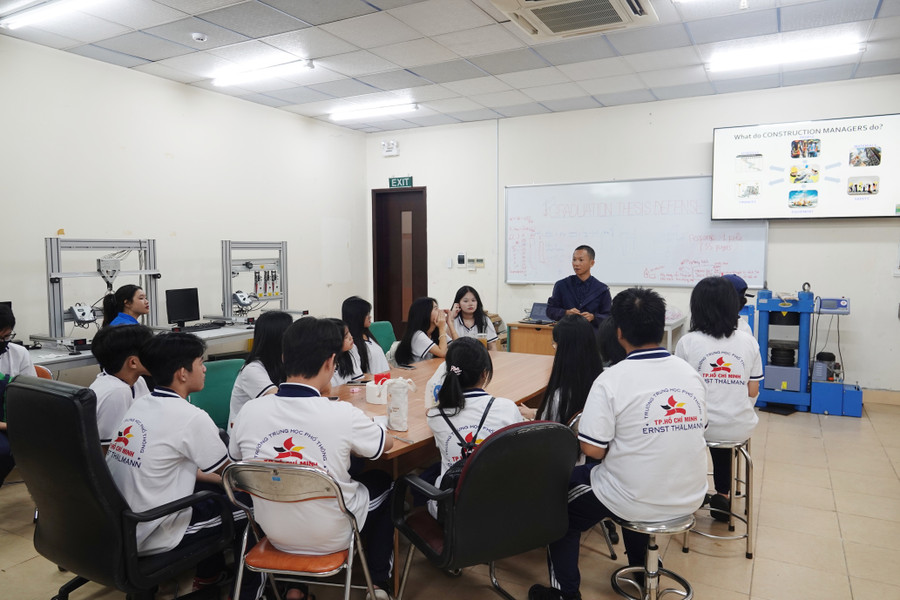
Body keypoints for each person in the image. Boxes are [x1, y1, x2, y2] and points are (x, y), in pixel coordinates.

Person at [529, 288, 708, 600]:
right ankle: (642, 568)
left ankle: (565, 594)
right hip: (690, 494)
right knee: (634, 476)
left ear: (620, 332)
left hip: (637, 497)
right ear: (658, 326)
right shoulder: (690, 374)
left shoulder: (612, 380)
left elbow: (593, 450)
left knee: (560, 507)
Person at [229, 317, 395, 599]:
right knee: (385, 480)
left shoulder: (251, 411)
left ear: (283, 358)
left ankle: (295, 587)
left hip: (272, 530)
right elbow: (385, 444)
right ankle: (378, 584)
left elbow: (236, 458)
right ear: (331, 363)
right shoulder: (342, 414)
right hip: (332, 534)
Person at [105, 332, 260, 597]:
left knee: (216, 493)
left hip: (121, 524)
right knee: (253, 507)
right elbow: (233, 475)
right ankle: (249, 593)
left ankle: (208, 576)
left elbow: (191, 469)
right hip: (155, 530)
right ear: (182, 373)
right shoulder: (191, 417)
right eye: (200, 361)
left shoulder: (141, 404)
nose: (204, 368)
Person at [675, 276, 763, 521]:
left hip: (697, 429)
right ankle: (722, 495)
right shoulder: (748, 342)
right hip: (738, 428)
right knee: (722, 426)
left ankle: (693, 491)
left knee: (687, 430)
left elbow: (682, 390)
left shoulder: (687, 343)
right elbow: (753, 390)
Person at [426, 337, 522, 514]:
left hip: (452, 511)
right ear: (485, 374)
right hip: (499, 505)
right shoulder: (507, 408)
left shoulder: (435, 415)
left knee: (427, 474)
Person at [520, 315, 601, 424]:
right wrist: (535, 412)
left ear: (564, 349)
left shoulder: (560, 397)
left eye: (555, 343)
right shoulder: (600, 382)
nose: (553, 347)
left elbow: (546, 426)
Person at [89, 324, 153, 451]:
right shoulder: (116, 392)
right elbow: (106, 450)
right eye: (152, 352)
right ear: (133, 362)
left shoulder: (138, 380)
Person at [227, 310, 293, 431]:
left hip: (272, 426)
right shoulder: (252, 370)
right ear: (279, 338)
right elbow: (280, 403)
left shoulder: (282, 362)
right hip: (248, 434)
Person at [0, 305, 37, 488]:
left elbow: (30, 394)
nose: (3, 341)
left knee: (6, 452)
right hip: (6, 425)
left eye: (6, 337)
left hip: (12, 421)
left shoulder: (19, 354)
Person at [546, 245, 611, 329]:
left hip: (591, 336)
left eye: (581, 260)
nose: (576, 264)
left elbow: (609, 317)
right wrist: (565, 312)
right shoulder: (561, 285)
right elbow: (550, 310)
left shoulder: (602, 289)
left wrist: (593, 317)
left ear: (592, 263)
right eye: (574, 260)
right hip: (566, 334)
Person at [342, 296, 390, 376]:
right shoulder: (352, 344)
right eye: (366, 314)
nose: (370, 316)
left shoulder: (367, 334)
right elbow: (358, 374)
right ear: (357, 317)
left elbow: (380, 361)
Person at [395, 297, 448, 365]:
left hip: (428, 370)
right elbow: (443, 353)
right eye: (436, 308)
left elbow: (457, 348)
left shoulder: (435, 331)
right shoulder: (418, 335)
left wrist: (450, 322)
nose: (440, 311)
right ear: (426, 313)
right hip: (414, 373)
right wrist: (442, 327)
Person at [447, 286, 499, 350]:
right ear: (458, 304)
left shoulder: (485, 320)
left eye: (473, 300)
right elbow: (448, 344)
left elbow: (492, 346)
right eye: (466, 301)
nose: (470, 304)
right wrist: (451, 319)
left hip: (480, 358)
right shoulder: (453, 321)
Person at [331, 318, 362, 387]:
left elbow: (358, 379)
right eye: (346, 337)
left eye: (349, 333)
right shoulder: (327, 364)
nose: (351, 337)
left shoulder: (349, 355)